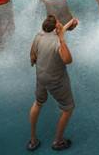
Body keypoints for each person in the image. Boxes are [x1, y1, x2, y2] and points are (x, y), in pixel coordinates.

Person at [29, 15, 76, 152]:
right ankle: (58, 141)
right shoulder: (57, 42)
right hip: (56, 81)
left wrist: (69, 24)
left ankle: (32, 140)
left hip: (41, 77)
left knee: (38, 103)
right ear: (56, 28)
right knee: (68, 108)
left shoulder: (38, 36)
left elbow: (32, 56)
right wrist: (61, 39)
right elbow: (68, 60)